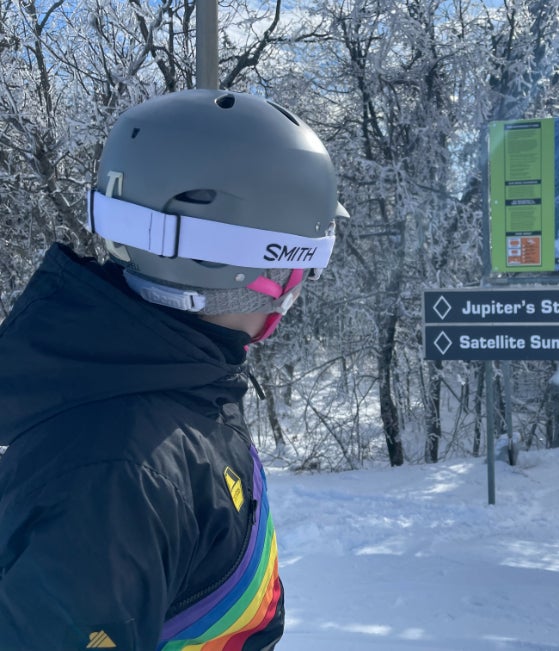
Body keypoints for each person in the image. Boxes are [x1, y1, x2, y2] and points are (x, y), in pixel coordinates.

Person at [0, 89, 347, 650]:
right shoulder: (118, 472)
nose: (298, 289)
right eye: (303, 265)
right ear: (252, 267)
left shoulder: (177, 384)